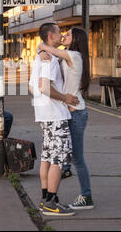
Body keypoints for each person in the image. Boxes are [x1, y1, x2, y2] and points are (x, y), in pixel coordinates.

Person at [38, 27, 94, 210]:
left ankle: (86, 196)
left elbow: (47, 47)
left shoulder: (75, 55)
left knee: (77, 158)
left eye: (68, 34)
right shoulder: (66, 56)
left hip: (76, 113)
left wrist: (42, 48)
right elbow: (48, 51)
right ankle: (64, 172)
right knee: (64, 154)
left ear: (76, 39)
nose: (64, 36)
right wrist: (42, 52)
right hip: (68, 112)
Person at [29, 23, 79, 217]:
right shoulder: (48, 60)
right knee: (57, 160)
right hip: (55, 115)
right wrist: (65, 98)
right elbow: (45, 88)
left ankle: (46, 199)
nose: (62, 35)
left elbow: (33, 88)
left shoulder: (40, 57)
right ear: (51, 35)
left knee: (47, 157)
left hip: (43, 114)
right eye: (59, 32)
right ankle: (51, 202)